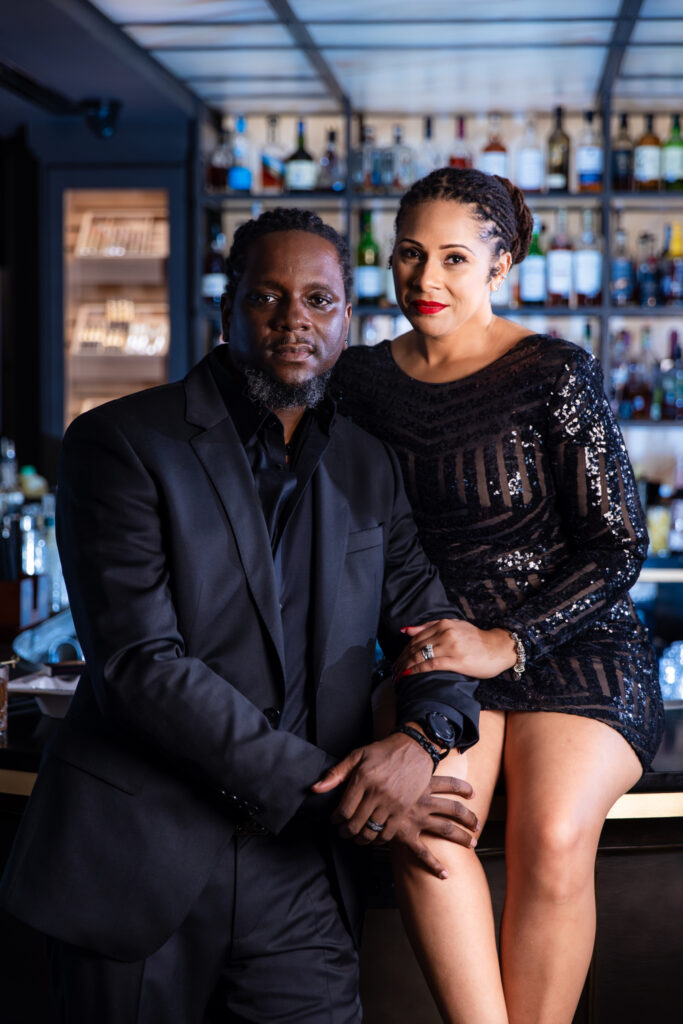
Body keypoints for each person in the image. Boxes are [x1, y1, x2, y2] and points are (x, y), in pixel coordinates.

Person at [0, 208, 482, 1024]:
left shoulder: (369, 465)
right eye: (267, 296)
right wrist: (340, 794)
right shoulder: (120, 442)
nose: (293, 319)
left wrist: (420, 739)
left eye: (319, 302)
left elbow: (428, 628)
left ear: (346, 322)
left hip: (298, 881)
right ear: (225, 312)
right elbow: (142, 668)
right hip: (138, 862)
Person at [333, 168, 664, 1024]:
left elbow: (620, 543)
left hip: (577, 644)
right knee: (425, 829)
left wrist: (509, 641)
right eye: (409, 254)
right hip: (438, 657)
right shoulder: (358, 383)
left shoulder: (553, 371)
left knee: (552, 837)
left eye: (452, 257)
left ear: (500, 268)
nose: (425, 279)